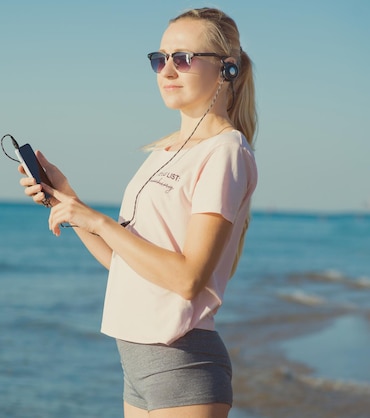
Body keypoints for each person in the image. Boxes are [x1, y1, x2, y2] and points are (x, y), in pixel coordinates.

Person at [18, 7, 257, 418]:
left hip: (182, 360)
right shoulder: (162, 153)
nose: (167, 70)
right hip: (137, 362)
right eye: (159, 59)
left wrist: (99, 220)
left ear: (227, 69)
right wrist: (67, 203)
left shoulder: (225, 152)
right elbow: (124, 263)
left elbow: (187, 280)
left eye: (183, 58)